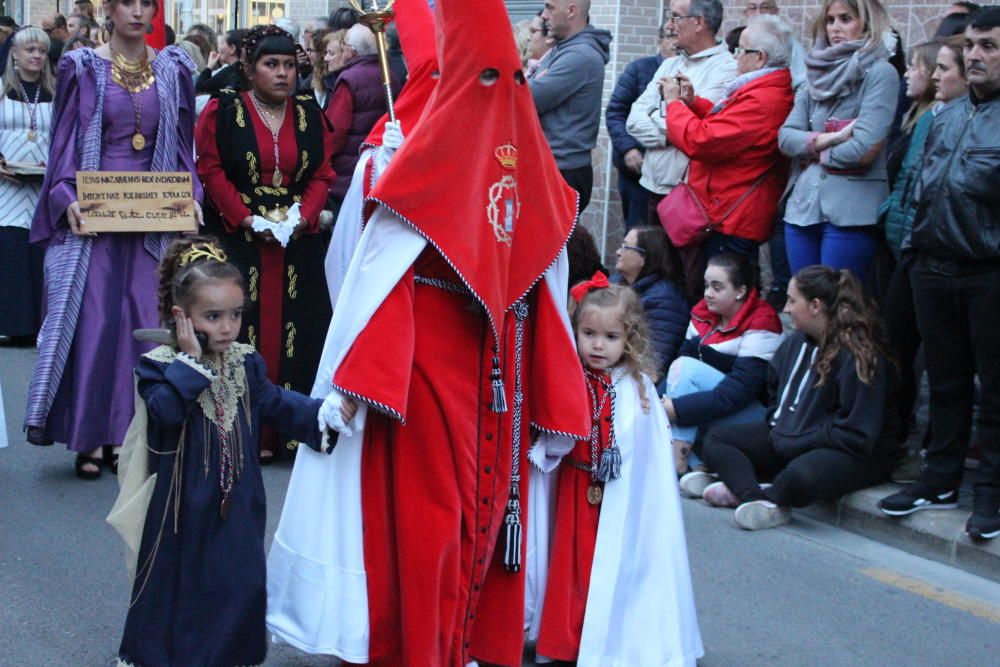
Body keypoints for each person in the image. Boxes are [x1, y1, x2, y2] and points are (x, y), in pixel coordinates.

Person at [266, 1, 590, 665]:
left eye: (513, 81)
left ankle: (467, 643)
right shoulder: (417, 169)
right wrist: (358, 384)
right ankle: (421, 648)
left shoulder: (532, 169)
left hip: (502, 370)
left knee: (490, 515)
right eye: (488, 79)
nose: (504, 98)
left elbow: (548, 279)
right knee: (430, 527)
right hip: (425, 371)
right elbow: (374, 278)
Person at [110, 237, 333, 667]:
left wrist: (324, 415)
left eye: (235, 314)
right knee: (184, 585)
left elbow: (275, 403)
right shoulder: (158, 366)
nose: (228, 327)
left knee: (240, 580)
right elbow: (166, 413)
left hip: (241, 500)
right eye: (213, 316)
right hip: (183, 507)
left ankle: (232, 656)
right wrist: (191, 363)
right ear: (182, 317)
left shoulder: (245, 362)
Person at [26, 0, 202, 479]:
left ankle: (135, 438)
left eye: (148, 3)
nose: (139, 12)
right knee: (97, 323)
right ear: (109, 8)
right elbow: (63, 144)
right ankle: (89, 439)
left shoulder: (172, 70)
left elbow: (184, 148)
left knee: (147, 324)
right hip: (99, 218)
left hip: (153, 218)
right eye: (129, 1)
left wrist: (192, 198)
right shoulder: (82, 67)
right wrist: (67, 199)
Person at [535, 279, 703, 666]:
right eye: (589, 334)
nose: (598, 345)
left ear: (629, 338)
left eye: (610, 336)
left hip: (618, 499)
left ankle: (609, 641)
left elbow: (647, 463)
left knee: (607, 569)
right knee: (570, 570)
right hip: (574, 490)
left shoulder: (638, 388)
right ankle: (566, 643)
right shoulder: (569, 376)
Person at [879, 8, 1000, 541]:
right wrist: (915, 253)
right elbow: (920, 190)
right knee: (945, 382)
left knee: (994, 391)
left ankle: (991, 497)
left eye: (990, 47)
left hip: (988, 273)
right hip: (931, 265)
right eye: (972, 45)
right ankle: (939, 480)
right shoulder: (944, 115)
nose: (976, 55)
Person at [196, 25, 336, 462]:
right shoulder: (225, 109)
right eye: (271, 65)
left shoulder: (310, 112)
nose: (282, 74)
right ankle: (244, 433)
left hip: (296, 241)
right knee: (241, 328)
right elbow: (211, 169)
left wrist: (302, 215)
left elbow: (322, 173)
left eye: (289, 66)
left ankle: (289, 434)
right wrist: (244, 217)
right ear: (250, 69)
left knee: (300, 329)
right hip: (242, 239)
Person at [692, 266, 897, 529]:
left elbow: (856, 434)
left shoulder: (858, 354)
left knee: (801, 475)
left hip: (850, 451)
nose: (786, 309)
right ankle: (754, 498)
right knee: (718, 439)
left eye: (791, 301)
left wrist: (796, 439)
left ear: (815, 306)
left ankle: (756, 490)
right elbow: (775, 395)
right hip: (797, 436)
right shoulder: (795, 343)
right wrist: (785, 430)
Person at [877, 38, 966, 463]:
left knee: (939, 361)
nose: (927, 75)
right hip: (908, 248)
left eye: (937, 67)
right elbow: (908, 183)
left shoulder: (943, 118)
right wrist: (889, 214)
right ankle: (892, 438)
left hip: (930, 251)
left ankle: (925, 453)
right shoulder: (925, 117)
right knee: (896, 344)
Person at [777, 0, 898, 282]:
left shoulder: (881, 72)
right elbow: (785, 138)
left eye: (846, 19)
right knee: (807, 307)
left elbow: (864, 149)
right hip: (803, 208)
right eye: (830, 20)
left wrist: (810, 149)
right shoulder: (815, 73)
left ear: (866, 23)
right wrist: (827, 138)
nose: (835, 28)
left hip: (852, 210)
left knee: (839, 310)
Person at [663, 14, 796, 263]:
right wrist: (694, 104)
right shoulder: (763, 89)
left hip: (733, 217)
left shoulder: (764, 98)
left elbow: (702, 140)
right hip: (726, 209)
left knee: (722, 293)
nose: (735, 56)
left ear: (760, 58)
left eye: (740, 49)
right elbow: (726, 128)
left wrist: (673, 104)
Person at [666, 253, 783, 479]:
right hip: (713, 406)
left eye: (717, 287)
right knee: (664, 385)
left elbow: (739, 392)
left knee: (686, 369)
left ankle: (677, 463)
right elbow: (677, 372)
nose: (708, 293)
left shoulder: (762, 321)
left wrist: (676, 407)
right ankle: (695, 466)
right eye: (706, 285)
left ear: (740, 291)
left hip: (753, 415)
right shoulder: (702, 313)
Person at [626, 0, 737, 221]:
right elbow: (633, 119)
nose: (669, 25)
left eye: (675, 17)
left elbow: (699, 130)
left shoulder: (726, 67)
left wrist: (663, 116)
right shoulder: (669, 64)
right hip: (650, 184)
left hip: (687, 194)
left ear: (698, 23)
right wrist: (674, 131)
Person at [529, 0, 612, 214]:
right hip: (554, 167)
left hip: (563, 172)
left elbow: (529, 98)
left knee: (549, 246)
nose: (544, 15)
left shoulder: (579, 55)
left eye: (550, 7)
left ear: (572, 10)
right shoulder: (564, 50)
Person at [0, 27, 55, 345]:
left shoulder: (59, 94)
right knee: (10, 253)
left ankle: (37, 323)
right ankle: (11, 322)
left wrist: (55, 166)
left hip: (41, 187)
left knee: (37, 255)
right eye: (30, 50)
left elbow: (63, 139)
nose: (36, 56)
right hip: (6, 188)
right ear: (15, 54)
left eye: (42, 51)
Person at [605, 17, 675, 230]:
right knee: (639, 235)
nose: (674, 42)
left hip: (673, 174)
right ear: (660, 40)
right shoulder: (639, 69)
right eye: (670, 35)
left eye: (677, 35)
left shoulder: (690, 72)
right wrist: (628, 149)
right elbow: (615, 112)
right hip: (637, 172)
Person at [324, 23, 400, 218]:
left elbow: (334, 131)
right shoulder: (392, 76)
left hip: (350, 175)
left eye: (344, 46)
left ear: (352, 51)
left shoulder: (349, 79)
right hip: (382, 170)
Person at [611, 225, 688, 384]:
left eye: (625, 247)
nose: (618, 252)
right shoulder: (614, 283)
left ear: (644, 258)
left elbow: (653, 363)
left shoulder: (665, 300)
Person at [194, 28, 247, 96]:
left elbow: (201, 87)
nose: (218, 48)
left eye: (222, 43)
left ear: (232, 49)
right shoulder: (242, 69)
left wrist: (209, 66)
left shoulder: (230, 71)